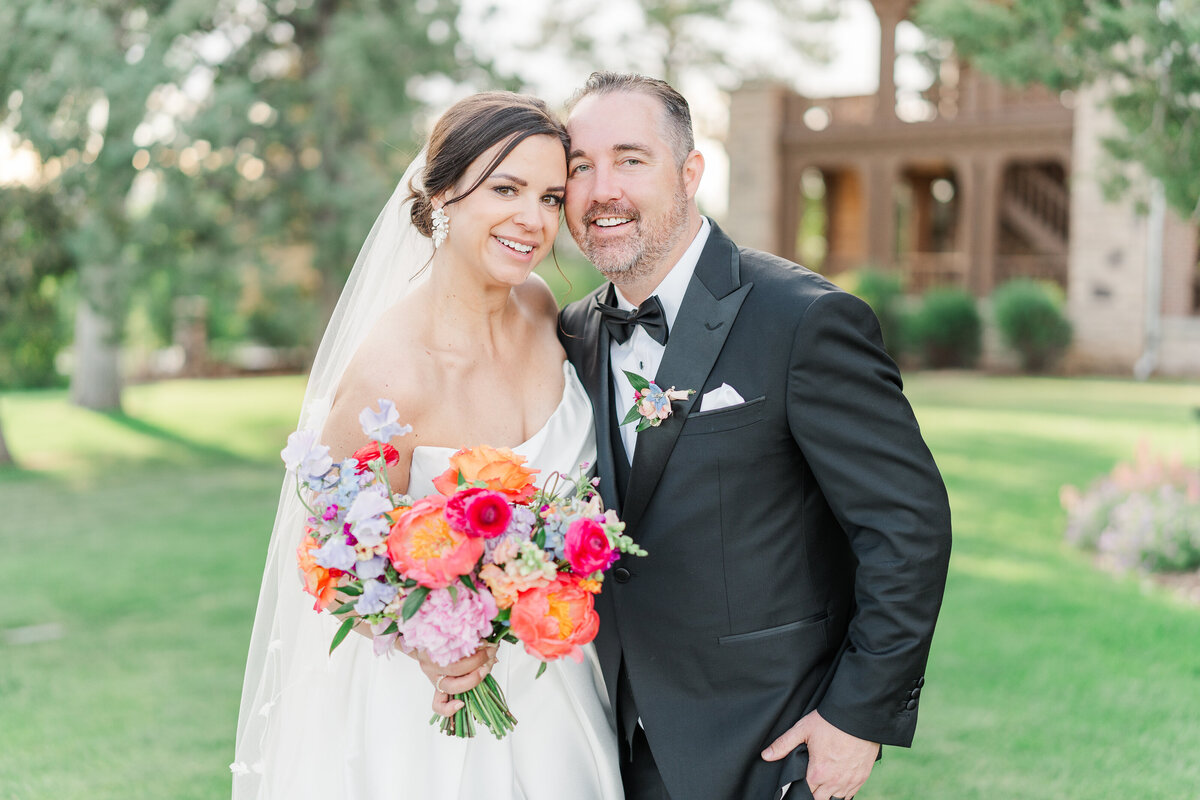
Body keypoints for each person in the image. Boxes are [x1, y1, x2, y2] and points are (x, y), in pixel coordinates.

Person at [557, 72, 953, 800]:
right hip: (600, 743)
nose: (601, 189)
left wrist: (855, 716)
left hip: (767, 744)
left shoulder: (804, 320)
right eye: (580, 165)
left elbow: (907, 528)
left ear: (690, 173)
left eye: (630, 159)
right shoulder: (569, 335)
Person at [233, 92, 623, 799]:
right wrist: (429, 647)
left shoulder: (540, 308)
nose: (532, 221)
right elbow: (332, 550)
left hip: (554, 675)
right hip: (430, 709)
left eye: (550, 196)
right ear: (442, 191)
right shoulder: (390, 372)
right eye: (505, 189)